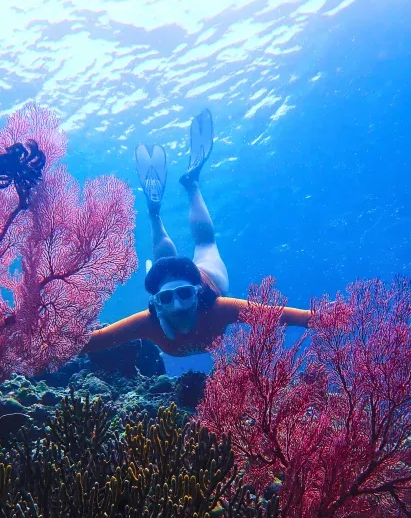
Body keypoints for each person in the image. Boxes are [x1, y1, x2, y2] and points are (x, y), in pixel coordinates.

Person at [83, 109, 310, 359]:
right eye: (167, 298)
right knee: (199, 245)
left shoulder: (219, 308)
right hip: (193, 279)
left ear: (197, 292)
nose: (178, 305)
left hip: (206, 277)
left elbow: (272, 313)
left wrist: (319, 319)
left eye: (185, 294)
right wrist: (41, 344)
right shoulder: (149, 322)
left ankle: (166, 204)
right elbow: (97, 341)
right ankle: (174, 197)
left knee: (194, 248)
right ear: (157, 302)